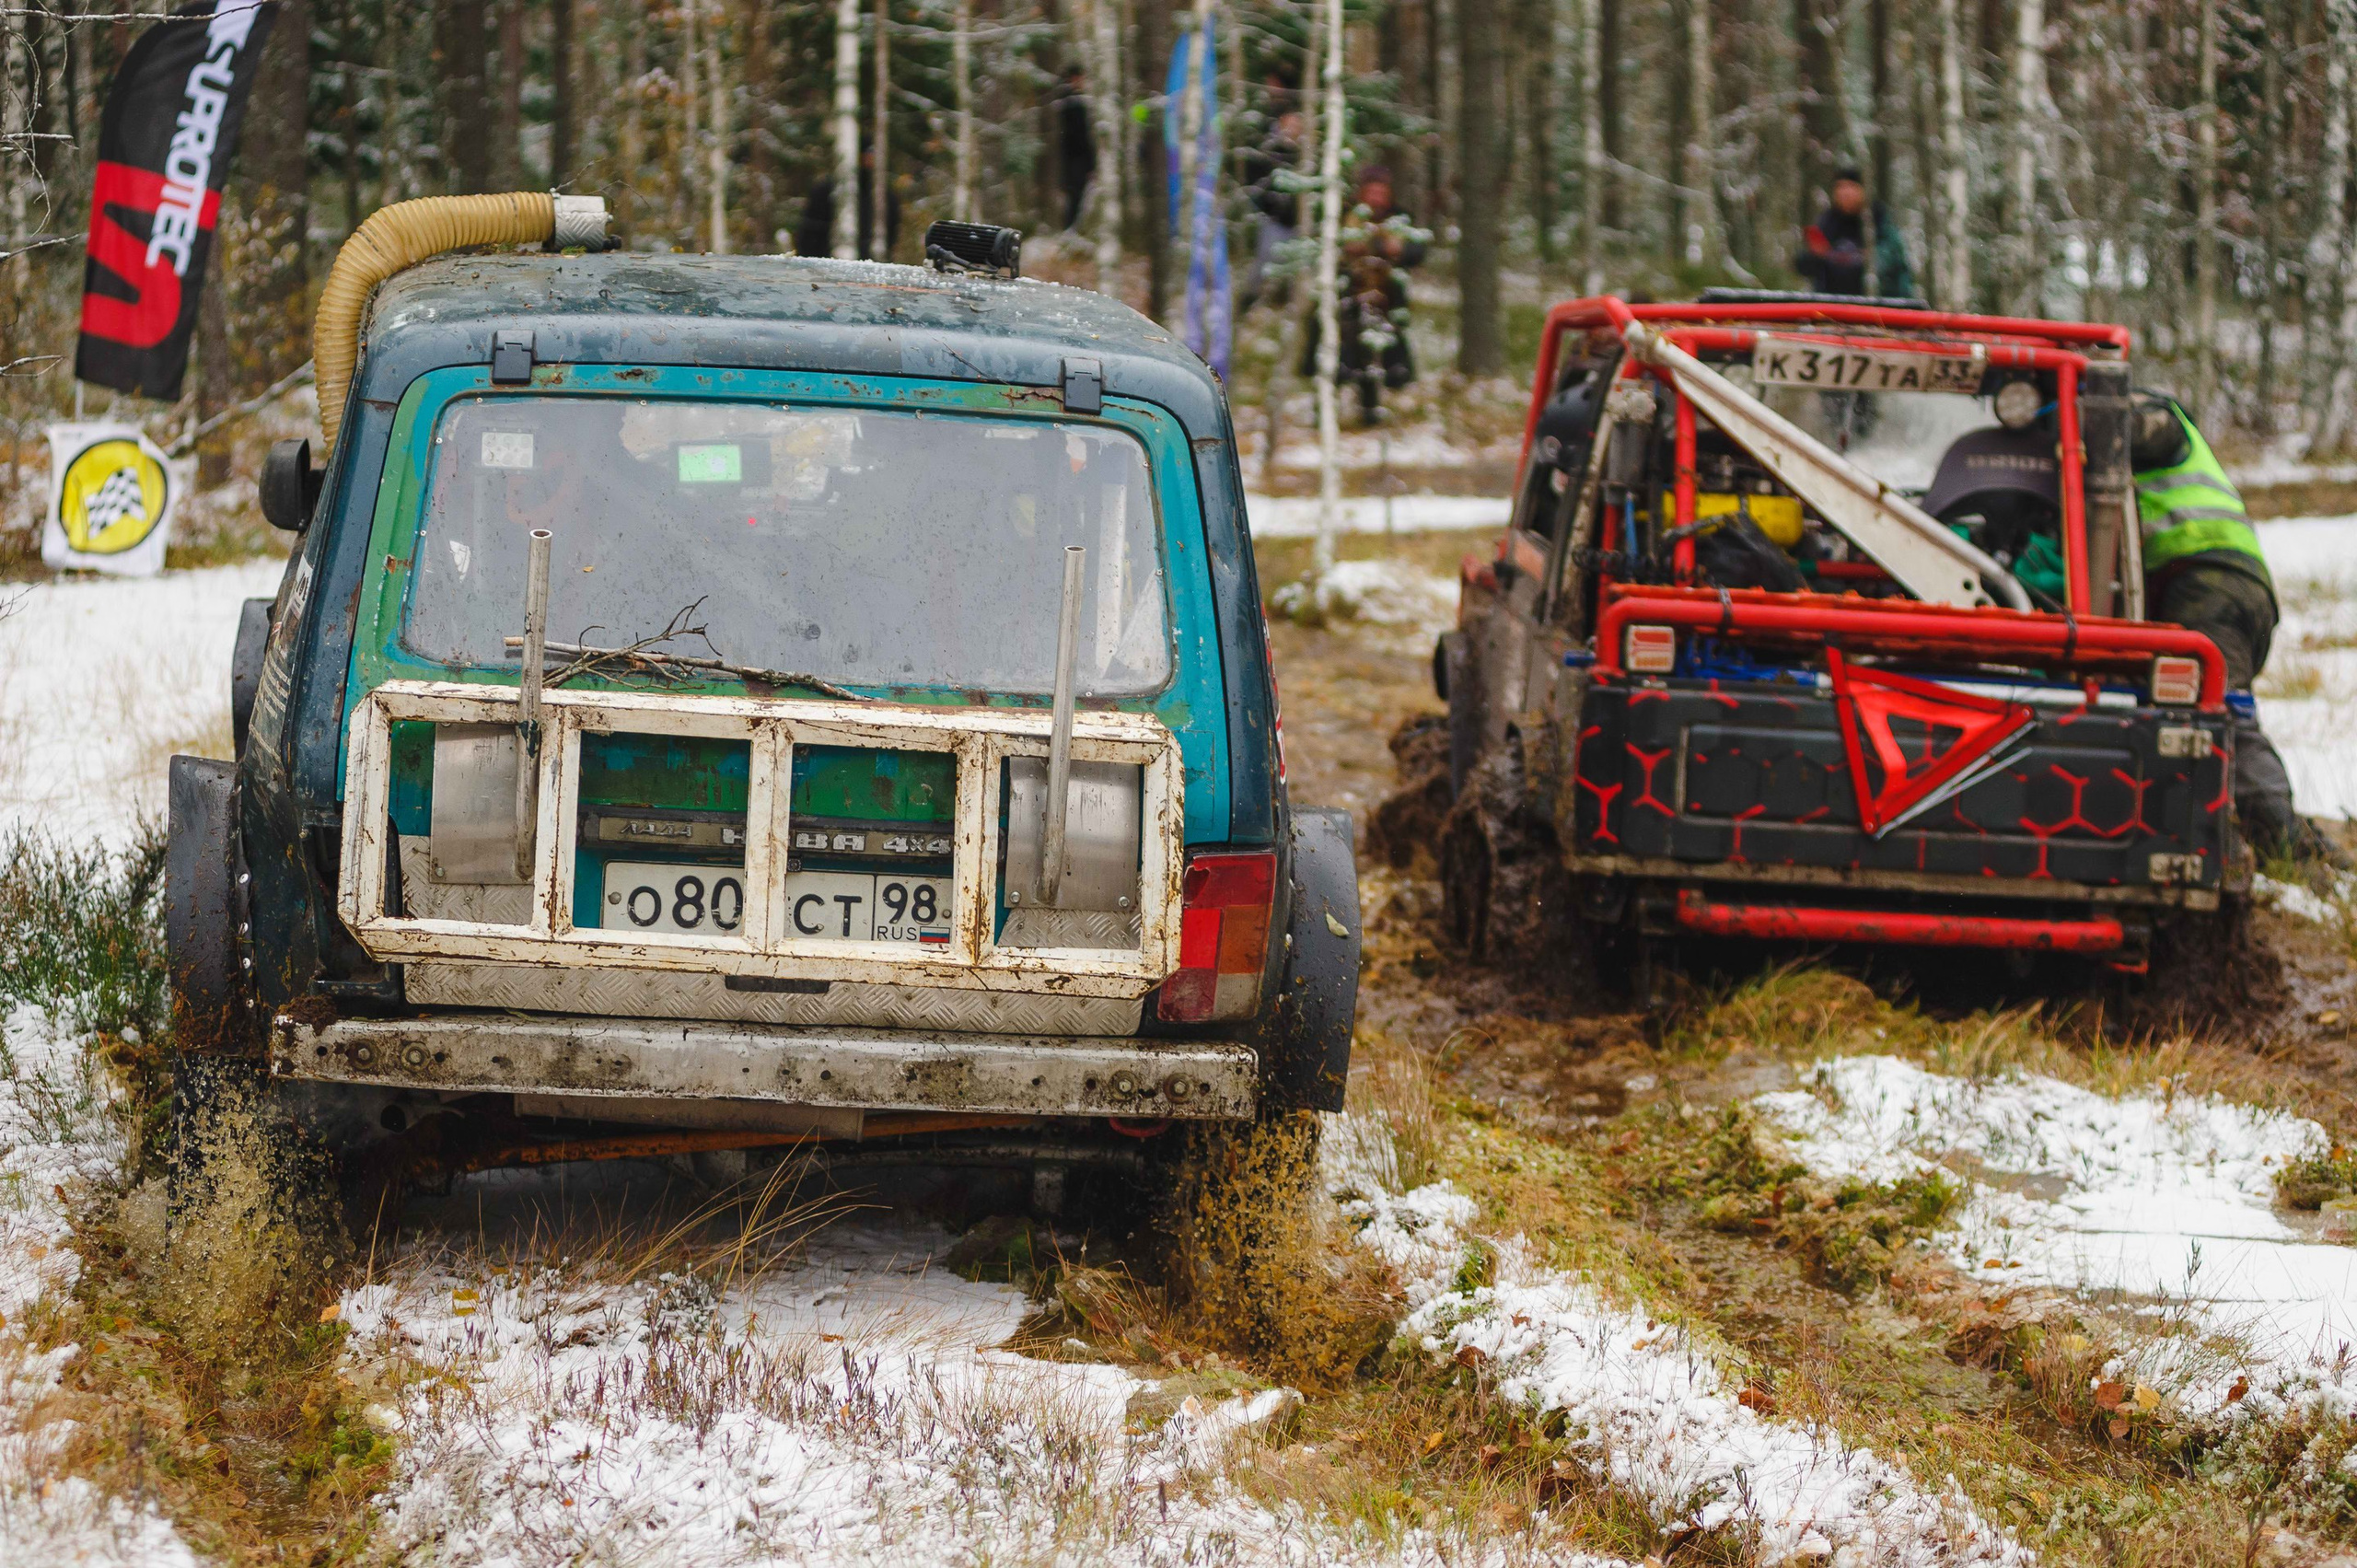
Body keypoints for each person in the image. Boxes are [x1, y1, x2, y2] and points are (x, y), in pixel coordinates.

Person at [1297, 167, 1426, 424]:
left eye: (1381, 192)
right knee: (1335, 350)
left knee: (1376, 353)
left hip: (1385, 299)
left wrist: (1398, 250)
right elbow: (1322, 249)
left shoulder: (1400, 219)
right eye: (1372, 192)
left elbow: (1416, 252)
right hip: (1346, 296)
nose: (1376, 198)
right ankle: (1324, 410)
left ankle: (1371, 409)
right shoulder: (1344, 215)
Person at [1794, 168, 1916, 300]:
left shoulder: (1878, 218)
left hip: (1877, 304)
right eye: (1840, 187)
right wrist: (1814, 256)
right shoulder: (1827, 222)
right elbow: (1804, 266)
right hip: (1832, 304)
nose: (1845, 192)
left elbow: (1892, 256)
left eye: (1850, 187)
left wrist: (1869, 258)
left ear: (1862, 190)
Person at [793, 149, 900, 261]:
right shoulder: (825, 191)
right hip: (827, 265)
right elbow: (809, 233)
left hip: (870, 266)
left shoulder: (885, 197)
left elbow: (890, 237)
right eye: (866, 156)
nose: (870, 161)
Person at [1056, 65, 1097, 234]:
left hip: (1076, 156)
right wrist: (1089, 161)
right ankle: (1071, 228)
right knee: (1075, 193)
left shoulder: (1072, 100)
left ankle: (1073, 227)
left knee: (1078, 193)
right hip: (1075, 157)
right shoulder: (1070, 102)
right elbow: (1078, 136)